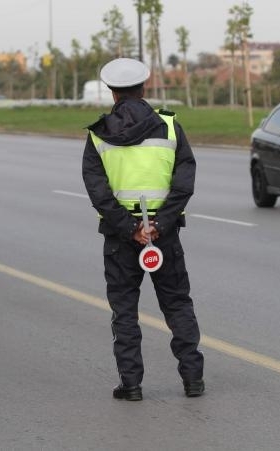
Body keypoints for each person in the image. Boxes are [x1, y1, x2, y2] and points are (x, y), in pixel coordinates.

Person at [82, 58, 205, 401]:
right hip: (164, 236)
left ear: (112, 92)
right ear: (144, 87)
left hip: (120, 240)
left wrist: (130, 228)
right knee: (177, 304)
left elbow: (97, 190)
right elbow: (184, 182)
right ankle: (193, 380)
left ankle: (131, 385)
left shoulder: (98, 134)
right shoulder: (170, 127)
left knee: (125, 311)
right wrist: (159, 224)